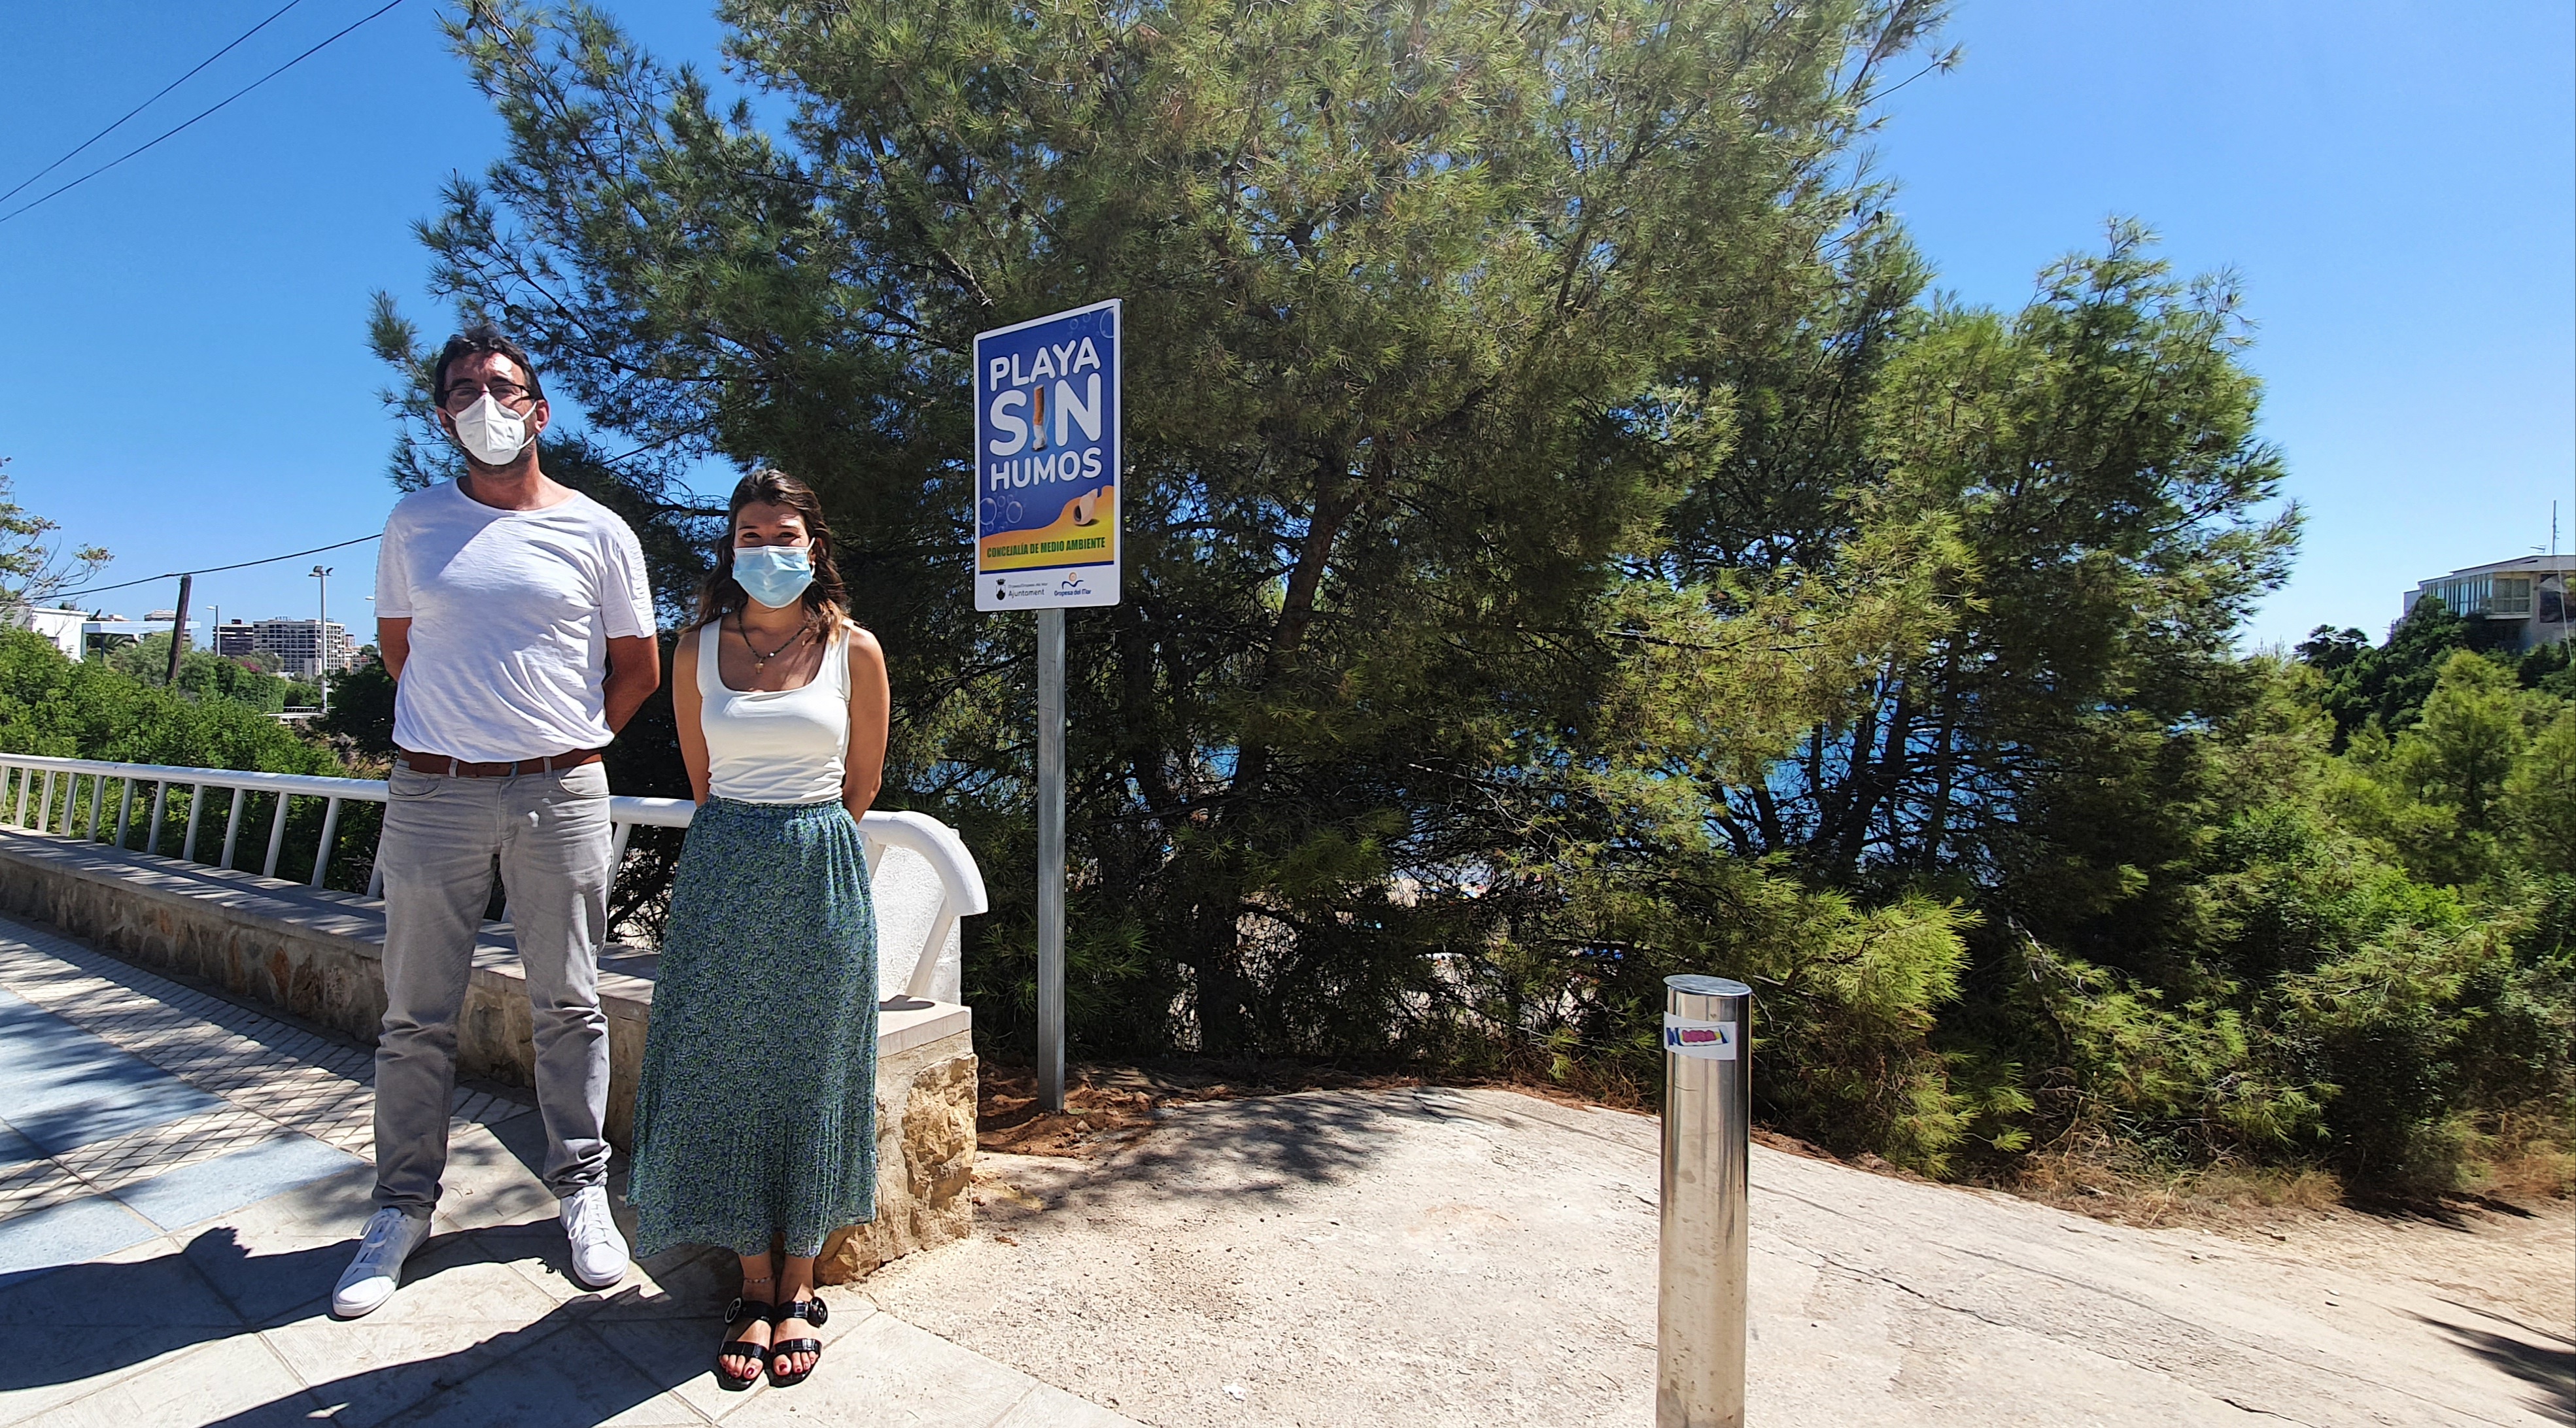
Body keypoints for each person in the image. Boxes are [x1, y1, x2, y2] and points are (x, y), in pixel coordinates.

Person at [333, 326, 661, 1318]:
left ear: (539, 408)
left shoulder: (598, 530)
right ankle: (400, 1209)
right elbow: (402, 650)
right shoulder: (413, 523)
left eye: (503, 387)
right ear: (442, 416)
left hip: (561, 792)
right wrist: (463, 736)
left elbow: (638, 666)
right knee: (413, 1018)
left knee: (570, 1004)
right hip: (434, 792)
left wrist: (564, 739)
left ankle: (581, 1192)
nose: (486, 402)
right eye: (465, 390)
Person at [624, 469, 891, 1390]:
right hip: (725, 866)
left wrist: (801, 836)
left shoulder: (857, 650)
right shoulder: (695, 647)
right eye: (750, 536)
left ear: (815, 545)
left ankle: (802, 1276)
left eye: (785, 536)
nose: (768, 553)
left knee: (816, 1066)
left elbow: (862, 787)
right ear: (730, 546)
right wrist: (754, 836)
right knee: (728, 1068)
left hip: (821, 868)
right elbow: (703, 779)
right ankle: (750, 1281)